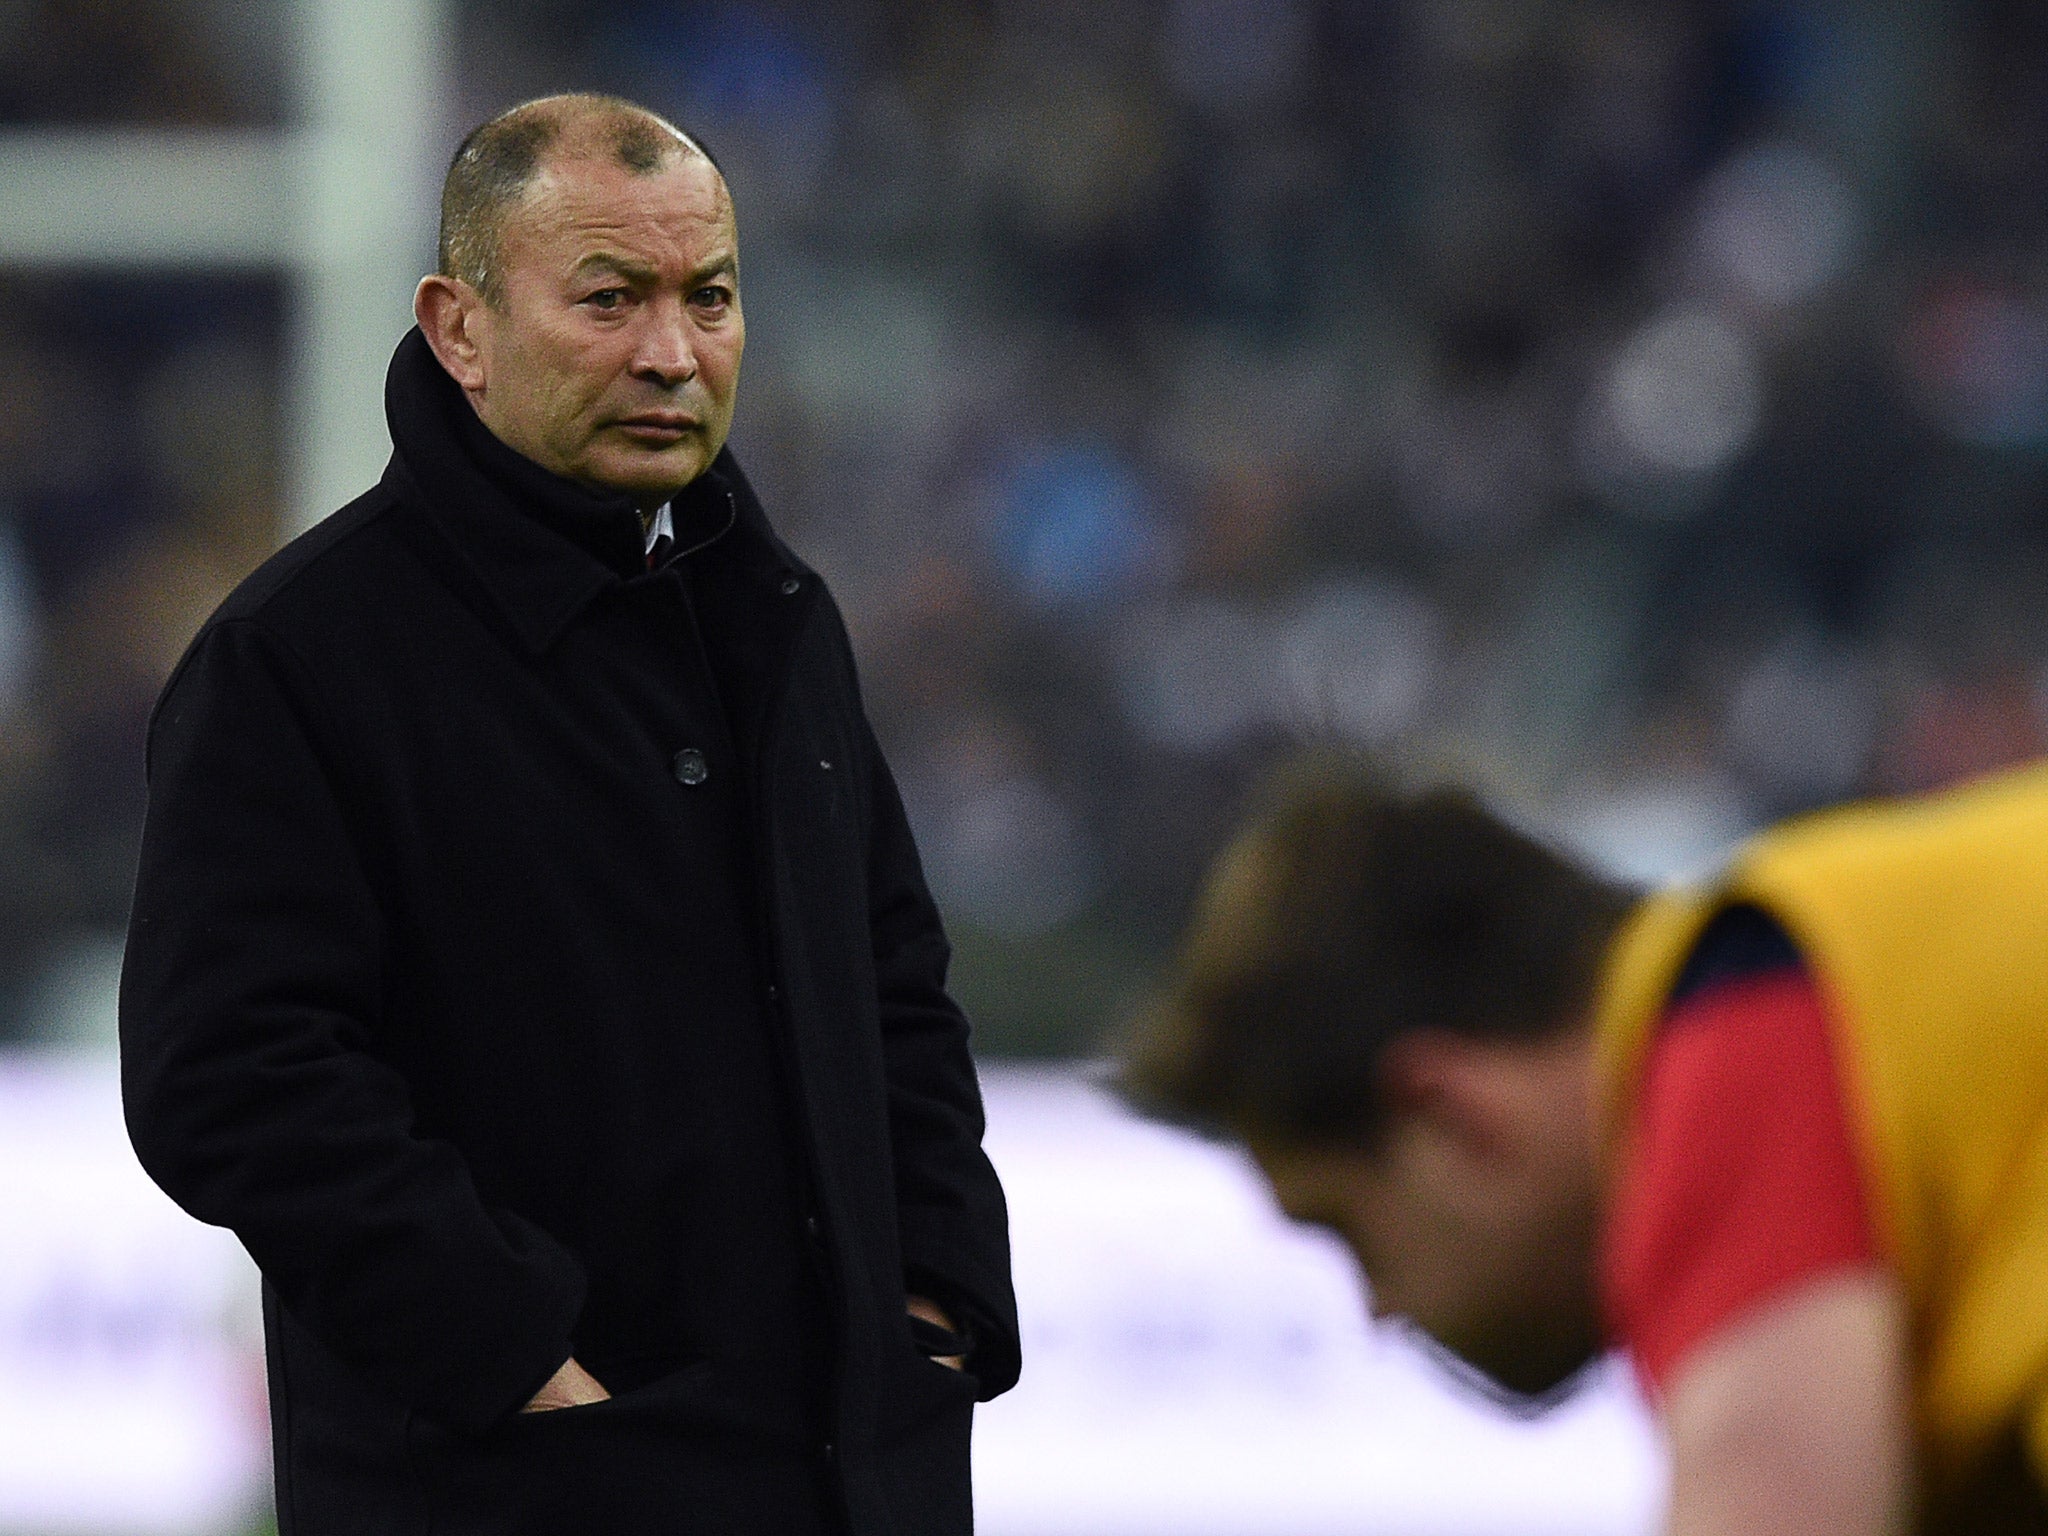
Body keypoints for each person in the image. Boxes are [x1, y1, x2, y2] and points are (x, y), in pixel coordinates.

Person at [119, 93, 1017, 1536]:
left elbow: (896, 991)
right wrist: (522, 1359)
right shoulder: (301, 658)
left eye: (707, 297)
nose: (670, 351)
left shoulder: (781, 623)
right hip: (516, 1486)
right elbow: (227, 1077)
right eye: (608, 298)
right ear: (457, 326)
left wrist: (937, 1295)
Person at [1118, 754, 2048, 1534]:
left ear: (1449, 1113)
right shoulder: (1877, 985)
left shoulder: (1733, 1029)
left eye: (1349, 1229)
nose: (1377, 1308)